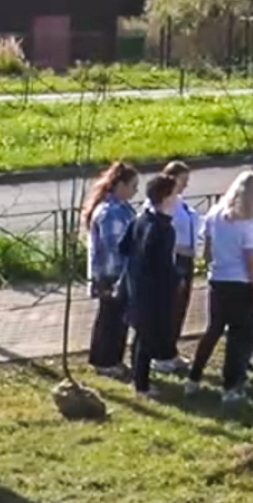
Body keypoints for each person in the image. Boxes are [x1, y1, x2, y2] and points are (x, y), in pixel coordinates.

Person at [187, 172, 253, 402]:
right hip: (241, 283)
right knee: (239, 337)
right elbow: (251, 263)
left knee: (213, 329)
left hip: (218, 279)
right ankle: (232, 385)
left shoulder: (215, 214)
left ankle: (194, 377)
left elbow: (208, 250)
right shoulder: (249, 224)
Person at [123, 174, 180, 399]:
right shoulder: (163, 228)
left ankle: (138, 379)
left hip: (136, 285)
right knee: (147, 338)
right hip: (154, 291)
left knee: (139, 335)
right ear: (166, 197)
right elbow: (161, 263)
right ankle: (142, 386)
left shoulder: (141, 219)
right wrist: (175, 280)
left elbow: (125, 246)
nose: (177, 198)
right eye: (175, 193)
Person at [83, 161, 140, 378]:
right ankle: (105, 361)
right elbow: (115, 247)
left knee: (118, 319)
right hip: (112, 274)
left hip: (117, 273)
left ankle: (113, 358)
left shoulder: (121, 207)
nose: (135, 191)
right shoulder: (111, 211)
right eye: (133, 186)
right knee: (111, 320)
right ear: (120, 185)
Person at [159, 161, 197, 371]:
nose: (186, 185)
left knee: (180, 308)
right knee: (169, 308)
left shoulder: (180, 203)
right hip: (174, 259)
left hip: (187, 259)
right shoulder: (164, 204)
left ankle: (171, 350)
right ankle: (162, 354)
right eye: (183, 180)